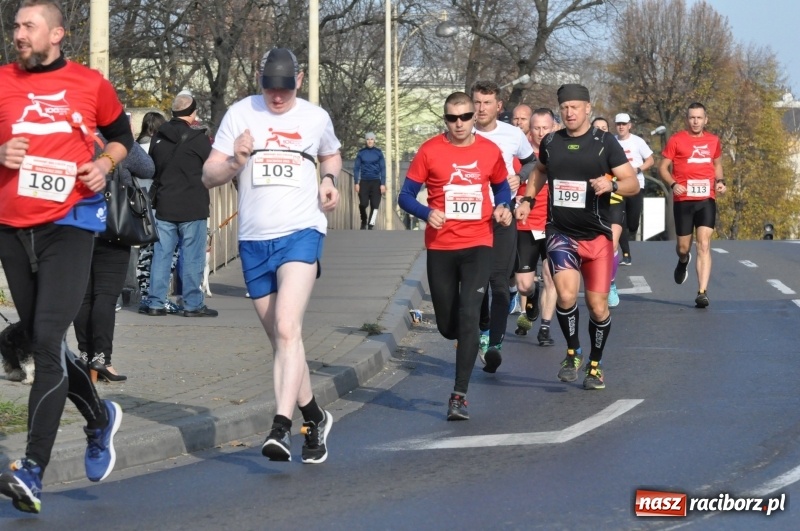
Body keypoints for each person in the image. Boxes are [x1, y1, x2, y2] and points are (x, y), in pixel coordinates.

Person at [0, 0, 127, 513]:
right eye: (15, 27)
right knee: (37, 335)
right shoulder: (2, 81)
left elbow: (121, 138)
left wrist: (104, 165)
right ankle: (99, 419)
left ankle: (32, 468)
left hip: (71, 224)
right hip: (12, 227)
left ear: (57, 34)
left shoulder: (91, 84)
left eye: (28, 27)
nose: (18, 35)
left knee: (48, 342)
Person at [202, 47, 340, 462]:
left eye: (283, 88)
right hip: (253, 240)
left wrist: (329, 179)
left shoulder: (315, 117)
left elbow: (330, 152)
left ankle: (280, 428)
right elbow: (209, 175)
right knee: (284, 340)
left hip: (302, 231)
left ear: (297, 80)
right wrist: (236, 160)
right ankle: (314, 416)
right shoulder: (240, 114)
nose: (276, 97)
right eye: (268, 88)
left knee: (286, 326)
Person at [398, 91, 512, 420]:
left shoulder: (489, 151)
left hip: (479, 243)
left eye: (464, 117)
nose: (459, 123)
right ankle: (476, 328)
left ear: (474, 117)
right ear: (445, 119)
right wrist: (425, 211)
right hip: (441, 247)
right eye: (452, 118)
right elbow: (404, 196)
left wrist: (503, 205)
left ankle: (459, 395)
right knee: (449, 326)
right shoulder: (430, 150)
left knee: (468, 317)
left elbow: (502, 187)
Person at [515, 84, 638, 390]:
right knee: (567, 296)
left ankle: (595, 366)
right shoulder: (551, 142)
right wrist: (529, 199)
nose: (570, 112)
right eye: (565, 107)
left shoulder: (604, 142)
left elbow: (632, 183)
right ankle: (573, 352)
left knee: (598, 307)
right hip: (561, 233)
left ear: (587, 108)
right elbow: (540, 171)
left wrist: (611, 187)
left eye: (575, 107)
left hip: (596, 236)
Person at [73, 137, 154, 383]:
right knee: (105, 298)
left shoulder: (72, 137)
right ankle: (102, 359)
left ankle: (85, 357)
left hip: (76, 225)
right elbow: (148, 168)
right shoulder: (116, 140)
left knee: (83, 297)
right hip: (115, 227)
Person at [471, 80, 536, 373]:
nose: (481, 108)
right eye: (477, 102)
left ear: (499, 106)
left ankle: (494, 343)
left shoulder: (512, 135)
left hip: (503, 214)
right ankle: (484, 330)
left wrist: (519, 178)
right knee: (478, 283)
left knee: (498, 281)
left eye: (487, 103)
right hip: (471, 217)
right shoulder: (463, 134)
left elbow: (534, 163)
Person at [145, 93, 216, 317]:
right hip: (193, 206)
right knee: (193, 256)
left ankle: (156, 302)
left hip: (164, 204)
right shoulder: (199, 139)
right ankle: (192, 304)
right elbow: (214, 166)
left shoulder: (158, 138)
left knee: (162, 255)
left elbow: (153, 168)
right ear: (193, 112)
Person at [658, 102, 726, 308]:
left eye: (699, 117)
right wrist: (673, 184)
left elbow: (718, 164)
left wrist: (721, 182)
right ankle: (683, 260)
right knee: (683, 247)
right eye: (692, 117)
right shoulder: (677, 140)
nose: (696, 121)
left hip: (706, 199)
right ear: (687, 119)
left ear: (706, 119)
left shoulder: (713, 140)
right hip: (683, 200)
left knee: (704, 243)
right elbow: (663, 167)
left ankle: (702, 292)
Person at [514, 108, 558, 346]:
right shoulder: (520, 155)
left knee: (551, 276)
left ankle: (544, 327)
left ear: (553, 128)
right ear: (529, 130)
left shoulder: (561, 152)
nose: (541, 133)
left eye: (545, 128)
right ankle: (531, 300)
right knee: (524, 284)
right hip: (526, 225)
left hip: (554, 225)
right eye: (536, 128)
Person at [614, 113, 654, 266]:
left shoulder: (637, 142)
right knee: (619, 220)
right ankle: (626, 254)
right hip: (617, 186)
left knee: (632, 223)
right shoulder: (612, 141)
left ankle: (632, 228)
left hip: (636, 185)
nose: (621, 127)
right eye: (619, 124)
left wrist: (638, 169)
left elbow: (651, 160)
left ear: (629, 125)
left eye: (624, 124)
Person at [591, 116, 623, 308]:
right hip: (590, 202)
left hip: (613, 200)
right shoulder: (585, 149)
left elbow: (625, 175)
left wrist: (613, 184)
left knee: (612, 242)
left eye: (604, 128)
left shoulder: (614, 149)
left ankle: (610, 283)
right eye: (597, 129)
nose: (601, 132)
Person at [353, 132, 386, 230]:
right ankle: (364, 220)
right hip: (364, 181)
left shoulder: (378, 152)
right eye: (368, 139)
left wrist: (383, 184)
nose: (370, 141)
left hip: (376, 182)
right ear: (365, 141)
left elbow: (383, 168)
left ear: (374, 140)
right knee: (363, 204)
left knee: (375, 205)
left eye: (372, 139)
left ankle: (371, 224)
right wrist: (356, 182)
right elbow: (356, 168)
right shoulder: (361, 153)